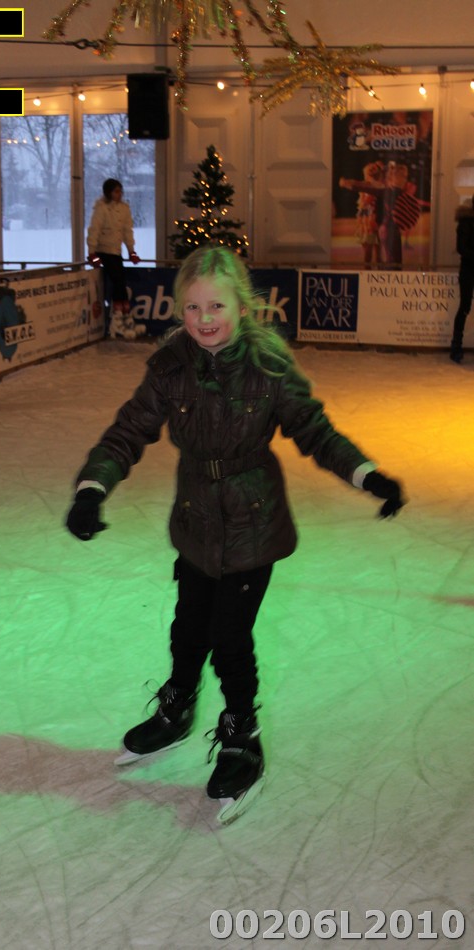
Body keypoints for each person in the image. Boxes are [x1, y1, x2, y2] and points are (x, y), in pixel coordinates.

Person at [65, 246, 406, 814]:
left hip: (253, 523)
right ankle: (177, 707)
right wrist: (91, 488)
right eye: (193, 307)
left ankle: (242, 734)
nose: (204, 319)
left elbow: (315, 431)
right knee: (187, 627)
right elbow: (127, 432)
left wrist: (367, 474)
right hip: (196, 518)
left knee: (229, 637)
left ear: (243, 307)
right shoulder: (171, 366)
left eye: (216, 306)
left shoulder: (268, 366)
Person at [86, 178, 142, 340]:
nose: (119, 194)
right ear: (109, 192)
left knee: (121, 281)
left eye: (120, 191)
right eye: (116, 191)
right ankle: (118, 317)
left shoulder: (124, 209)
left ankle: (124, 316)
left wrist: (131, 250)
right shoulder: (101, 209)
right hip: (103, 251)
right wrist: (92, 253)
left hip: (116, 252)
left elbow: (127, 231)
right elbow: (94, 230)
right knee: (117, 281)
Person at [449, 194, 474, 363]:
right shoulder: (466, 222)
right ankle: (456, 346)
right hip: (468, 270)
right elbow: (461, 248)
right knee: (465, 306)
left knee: (464, 307)